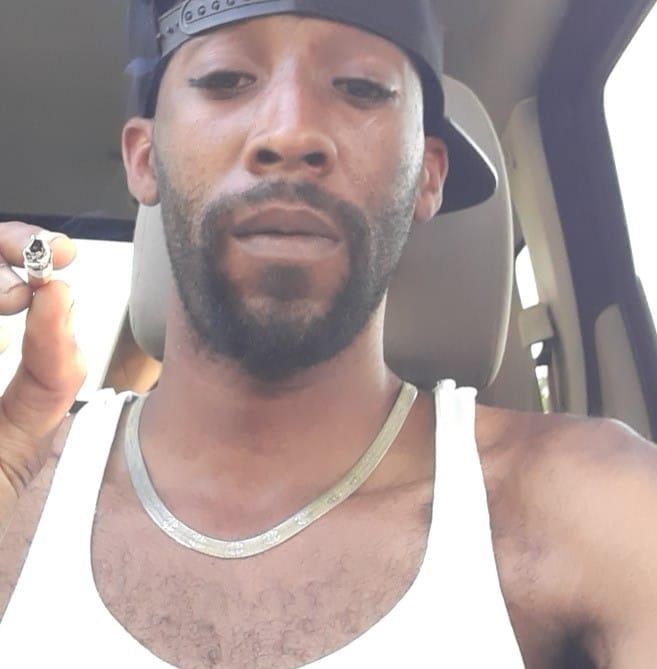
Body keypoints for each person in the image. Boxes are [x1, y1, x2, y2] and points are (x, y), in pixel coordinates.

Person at [0, 1, 656, 667]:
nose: (290, 132)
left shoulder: (588, 501)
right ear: (145, 160)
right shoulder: (16, 481)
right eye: (226, 80)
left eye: (360, 87)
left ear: (428, 174)